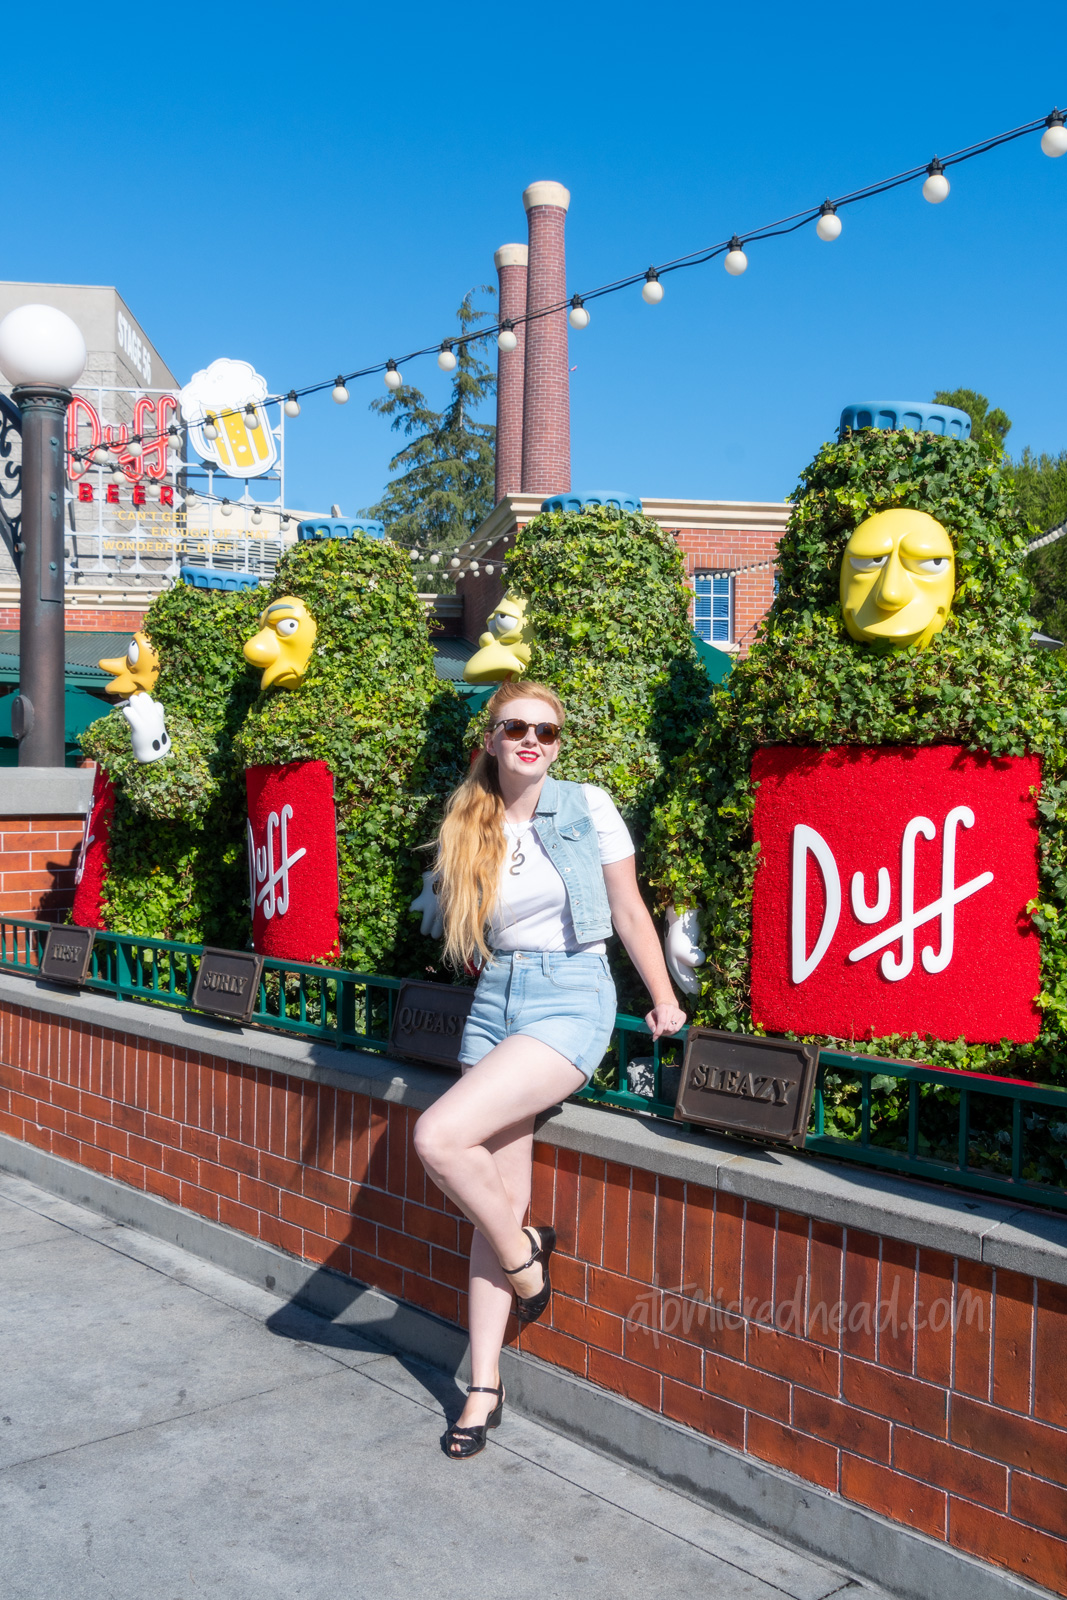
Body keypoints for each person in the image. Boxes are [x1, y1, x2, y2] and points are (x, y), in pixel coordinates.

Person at [411, 680, 688, 1458]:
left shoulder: (586, 804)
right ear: (491, 739)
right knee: (497, 1202)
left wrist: (662, 998)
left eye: (547, 730)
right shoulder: (469, 819)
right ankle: (483, 1386)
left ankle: (527, 1261)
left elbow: (628, 909)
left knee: (438, 1138)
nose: (532, 740)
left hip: (570, 992)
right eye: (515, 728)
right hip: (495, 995)